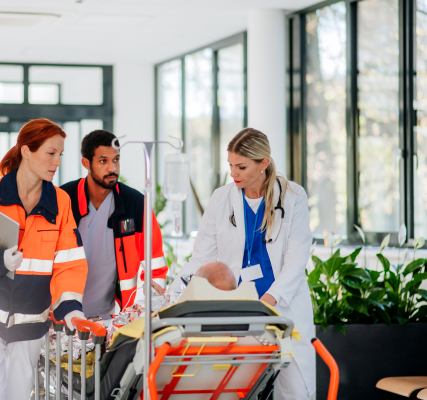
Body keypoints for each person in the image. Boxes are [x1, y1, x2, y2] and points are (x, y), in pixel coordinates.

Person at [0, 119, 88, 400]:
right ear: (26, 151)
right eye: (50, 153)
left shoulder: (60, 202)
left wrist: (70, 306)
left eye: (61, 154)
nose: (57, 162)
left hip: (31, 319)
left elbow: (68, 260)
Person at [170, 128, 315, 400]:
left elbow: (297, 260)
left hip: (283, 306)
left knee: (295, 391)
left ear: (264, 164)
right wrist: (171, 296)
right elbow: (200, 258)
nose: (233, 173)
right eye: (230, 166)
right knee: (235, 388)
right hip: (238, 309)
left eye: (241, 166)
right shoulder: (221, 198)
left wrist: (268, 301)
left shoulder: (293, 197)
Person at [60, 130, 168, 319]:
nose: (113, 168)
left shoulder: (136, 204)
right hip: (60, 316)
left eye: (116, 160)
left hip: (110, 318)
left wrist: (147, 306)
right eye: (103, 161)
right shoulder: (63, 200)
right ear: (86, 163)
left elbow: (155, 264)